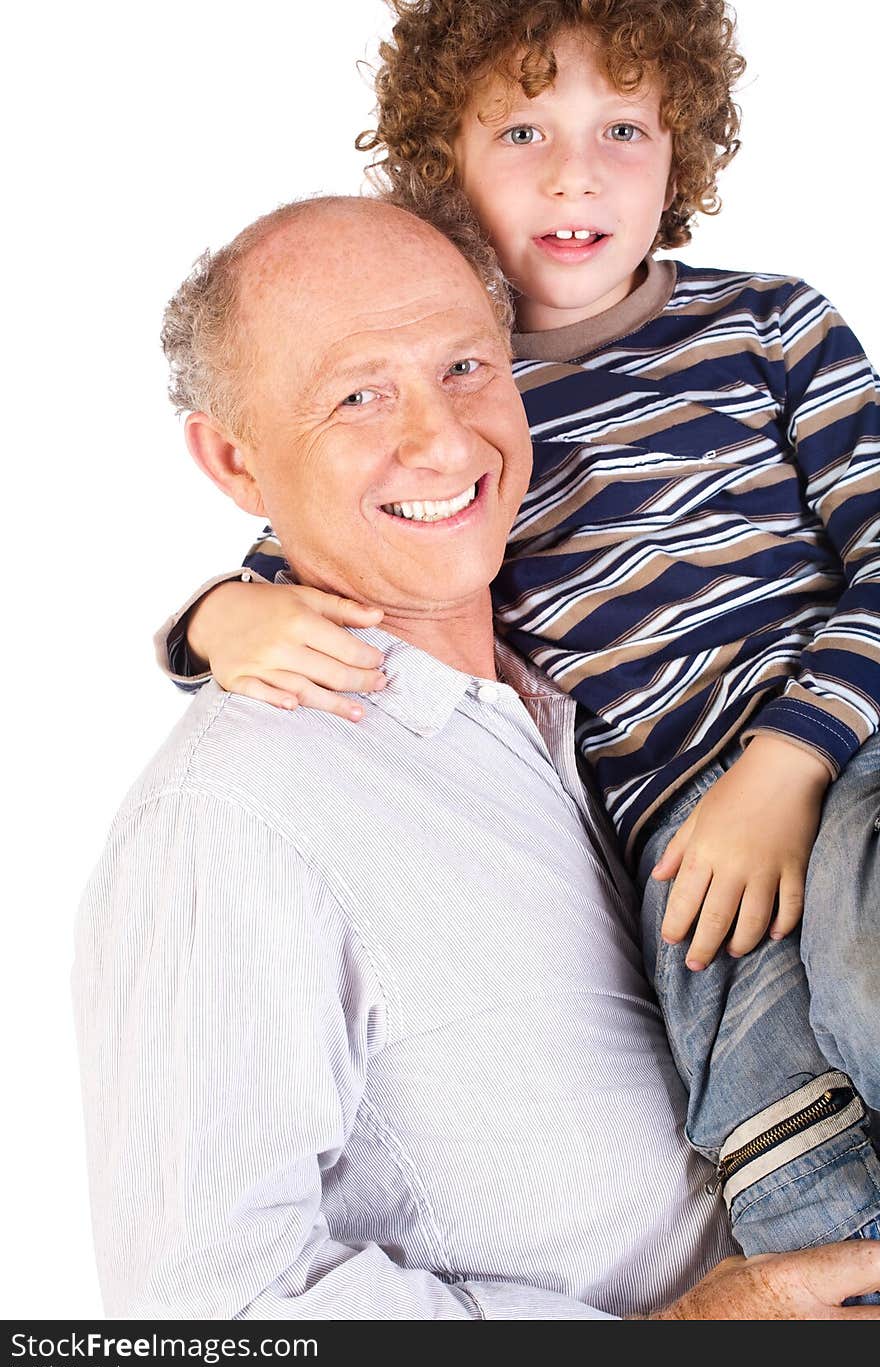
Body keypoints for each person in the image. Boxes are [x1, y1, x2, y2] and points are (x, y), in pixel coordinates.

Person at [161, 0, 880, 1264]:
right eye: (521, 132)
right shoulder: (453, 404)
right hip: (676, 847)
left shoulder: (770, 326)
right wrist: (216, 618)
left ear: (684, 149)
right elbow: (302, 552)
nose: (574, 173)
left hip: (841, 742)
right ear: (442, 167)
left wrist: (792, 763)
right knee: (776, 1149)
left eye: (622, 127)